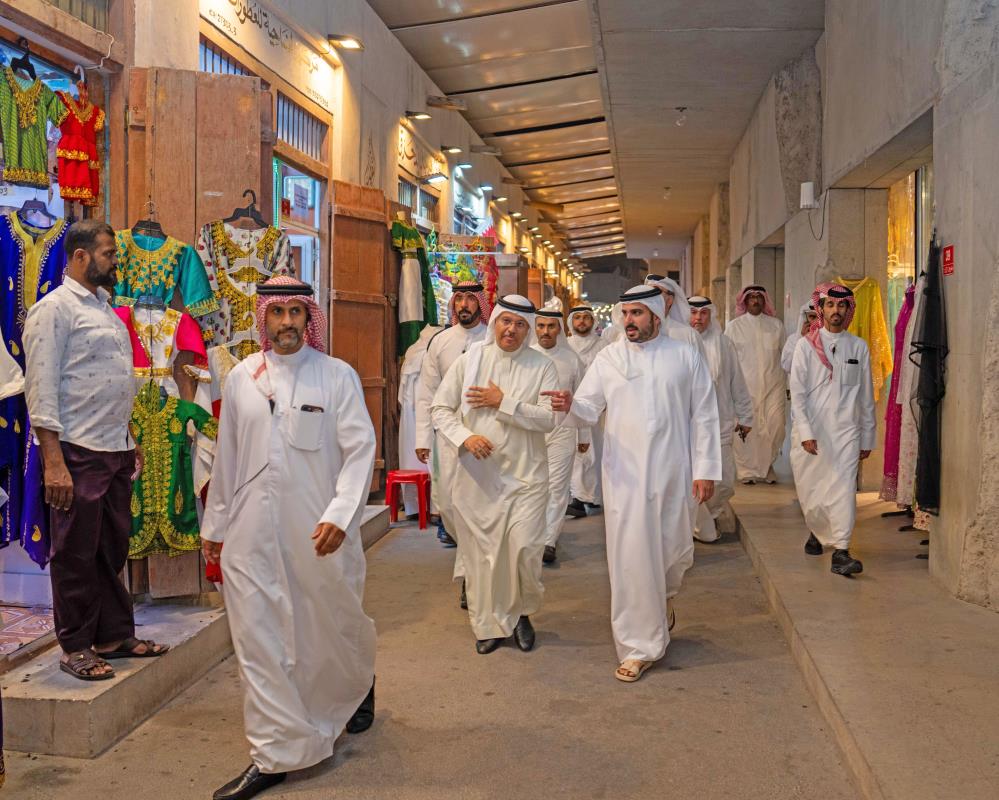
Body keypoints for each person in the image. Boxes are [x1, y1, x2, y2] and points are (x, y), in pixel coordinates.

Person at [202, 276, 377, 800]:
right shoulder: (242, 378)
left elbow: (359, 452)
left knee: (328, 628)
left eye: (295, 313)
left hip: (316, 530)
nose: (286, 323)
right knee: (257, 640)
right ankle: (274, 753)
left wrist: (341, 516)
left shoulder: (337, 376)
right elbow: (228, 457)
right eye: (276, 313)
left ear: (309, 317)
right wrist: (215, 528)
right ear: (264, 318)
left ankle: (355, 686)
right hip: (250, 533)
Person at [546, 286, 720, 683]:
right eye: (625, 313)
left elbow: (705, 415)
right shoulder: (610, 358)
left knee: (674, 554)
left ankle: (662, 600)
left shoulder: (685, 356)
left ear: (656, 316)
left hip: (675, 471)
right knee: (631, 559)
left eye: (637, 313)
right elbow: (588, 407)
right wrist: (569, 406)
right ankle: (638, 647)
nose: (629, 321)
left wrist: (706, 469)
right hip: (624, 477)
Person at [22, 220, 169, 681]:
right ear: (80, 256)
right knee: (75, 553)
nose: (115, 261)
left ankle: (112, 636)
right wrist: (53, 463)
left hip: (114, 447)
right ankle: (75, 646)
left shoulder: (104, 307)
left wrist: (129, 437)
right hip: (76, 450)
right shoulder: (54, 310)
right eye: (108, 253)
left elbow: (109, 379)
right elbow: (41, 389)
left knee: (110, 548)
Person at [431, 295, 558, 654]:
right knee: (483, 558)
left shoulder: (543, 366)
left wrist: (503, 403)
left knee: (525, 549)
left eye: (519, 324)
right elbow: (440, 409)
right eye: (506, 321)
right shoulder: (470, 361)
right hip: (479, 478)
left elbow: (548, 419)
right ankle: (488, 624)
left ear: (528, 329)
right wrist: (465, 437)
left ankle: (521, 613)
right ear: (496, 322)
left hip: (527, 477)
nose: (511, 330)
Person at [789, 282, 875, 577]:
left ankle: (841, 550)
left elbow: (866, 396)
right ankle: (816, 529)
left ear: (848, 309)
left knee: (843, 489)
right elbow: (797, 393)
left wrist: (867, 435)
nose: (835, 310)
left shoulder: (858, 347)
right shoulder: (805, 346)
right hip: (813, 431)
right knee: (812, 490)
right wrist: (805, 432)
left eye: (841, 305)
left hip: (846, 431)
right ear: (821, 309)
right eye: (830, 305)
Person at [414, 281, 491, 609]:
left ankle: (472, 576)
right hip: (447, 437)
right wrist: (422, 437)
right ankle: (470, 563)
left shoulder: (493, 339)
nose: (463, 305)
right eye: (458, 298)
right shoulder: (441, 342)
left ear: (480, 303)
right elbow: (426, 392)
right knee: (448, 507)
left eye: (470, 299)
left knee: (481, 508)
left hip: (485, 437)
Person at [688, 296, 754, 542]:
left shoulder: (723, 343)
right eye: (693, 312)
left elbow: (737, 381)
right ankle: (700, 524)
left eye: (703, 313)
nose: (698, 318)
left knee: (723, 480)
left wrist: (745, 415)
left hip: (720, 423)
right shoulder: (678, 343)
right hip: (688, 426)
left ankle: (710, 514)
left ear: (711, 315)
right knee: (691, 478)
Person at [533, 307, 589, 564]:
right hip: (531, 432)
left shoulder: (572, 359)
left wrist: (584, 435)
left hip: (563, 430)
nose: (545, 331)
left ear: (560, 329)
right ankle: (532, 535)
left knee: (557, 487)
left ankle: (549, 541)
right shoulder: (526, 355)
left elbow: (583, 400)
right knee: (534, 486)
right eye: (541, 326)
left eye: (551, 326)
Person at [725, 284, 786, 484]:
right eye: (751, 297)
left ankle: (767, 465)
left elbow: (786, 357)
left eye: (759, 297)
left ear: (764, 300)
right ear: (745, 301)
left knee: (776, 426)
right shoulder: (734, 327)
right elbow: (728, 359)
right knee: (747, 430)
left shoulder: (776, 325)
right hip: (745, 388)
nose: (755, 300)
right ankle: (746, 471)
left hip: (773, 386)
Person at [566, 304, 607, 516]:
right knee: (574, 452)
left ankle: (594, 496)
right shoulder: (565, 345)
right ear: (571, 321)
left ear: (593, 321)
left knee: (595, 452)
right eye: (577, 317)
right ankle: (578, 497)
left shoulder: (603, 346)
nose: (581, 321)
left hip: (596, 410)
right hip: (570, 407)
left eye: (586, 317)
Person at [398, 323, 442, 516]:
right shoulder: (427, 349)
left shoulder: (414, 350)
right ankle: (428, 507)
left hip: (416, 412)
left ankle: (420, 507)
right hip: (422, 412)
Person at [644, 274, 706, 356]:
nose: (650, 296)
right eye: (648, 291)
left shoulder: (689, 335)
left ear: (669, 300)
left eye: (656, 291)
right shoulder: (639, 332)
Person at [781, 301, 818, 374]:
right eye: (812, 317)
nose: (817, 321)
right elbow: (787, 366)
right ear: (805, 319)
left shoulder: (831, 339)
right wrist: (802, 340)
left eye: (820, 317)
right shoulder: (793, 340)